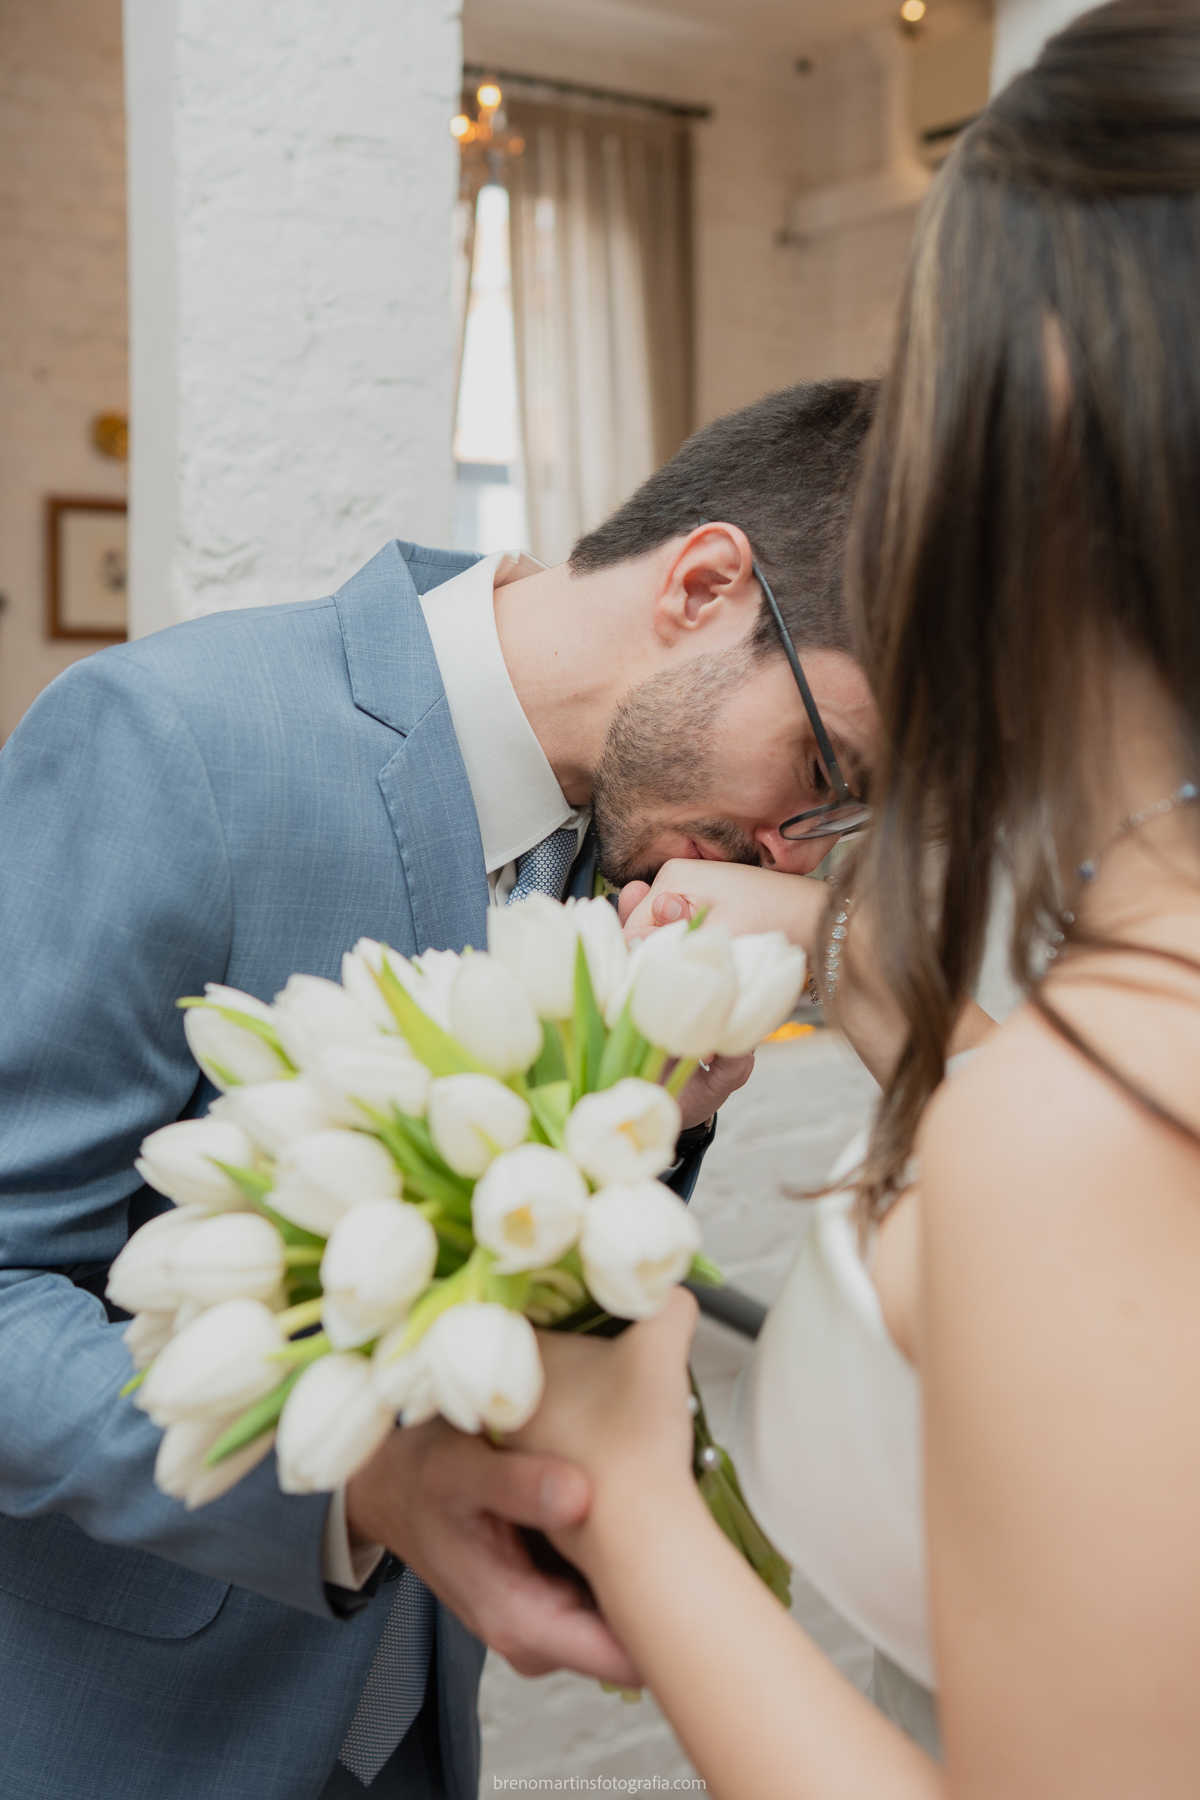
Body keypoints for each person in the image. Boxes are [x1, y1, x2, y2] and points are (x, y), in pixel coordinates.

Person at [0, 379, 879, 1799]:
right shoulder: (172, 741)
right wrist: (355, 1485)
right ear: (706, 584)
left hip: (413, 1732)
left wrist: (654, 1116)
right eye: (822, 775)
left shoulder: (643, 851)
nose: (791, 859)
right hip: (132, 1734)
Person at [513, 4, 1200, 1795]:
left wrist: (632, 1487)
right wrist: (818, 942)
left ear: (1037, 399)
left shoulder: (1092, 1126)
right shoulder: (1107, 956)